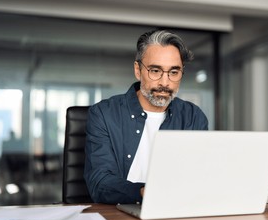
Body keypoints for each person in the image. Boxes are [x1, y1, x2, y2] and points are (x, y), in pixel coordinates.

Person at [84, 30, 208, 204]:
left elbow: (200, 176)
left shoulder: (193, 117)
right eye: (155, 71)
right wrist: (144, 192)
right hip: (121, 214)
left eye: (174, 72)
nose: (165, 82)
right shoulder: (104, 114)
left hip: (176, 212)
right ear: (138, 70)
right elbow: (100, 182)